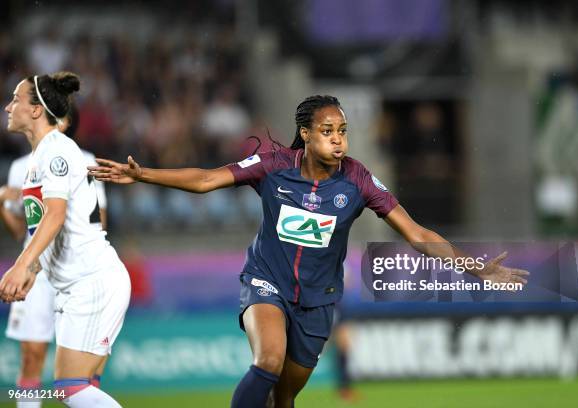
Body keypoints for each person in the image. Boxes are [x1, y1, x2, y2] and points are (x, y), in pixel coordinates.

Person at [88, 95, 528, 408]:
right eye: (327, 131)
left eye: (343, 132)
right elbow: (206, 181)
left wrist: (471, 266)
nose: (338, 140)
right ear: (305, 134)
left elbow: (415, 232)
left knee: (284, 397)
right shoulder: (273, 165)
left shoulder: (357, 180)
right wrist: (143, 174)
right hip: (266, 282)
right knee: (268, 360)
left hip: (318, 301)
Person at [0, 71, 130, 408]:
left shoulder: (56, 151)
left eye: (16, 99)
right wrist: (33, 270)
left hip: (92, 282)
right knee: (73, 387)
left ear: (36, 111)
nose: (7, 107)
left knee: (70, 388)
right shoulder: (37, 159)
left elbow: (56, 216)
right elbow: (51, 227)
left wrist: (20, 265)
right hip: (74, 285)